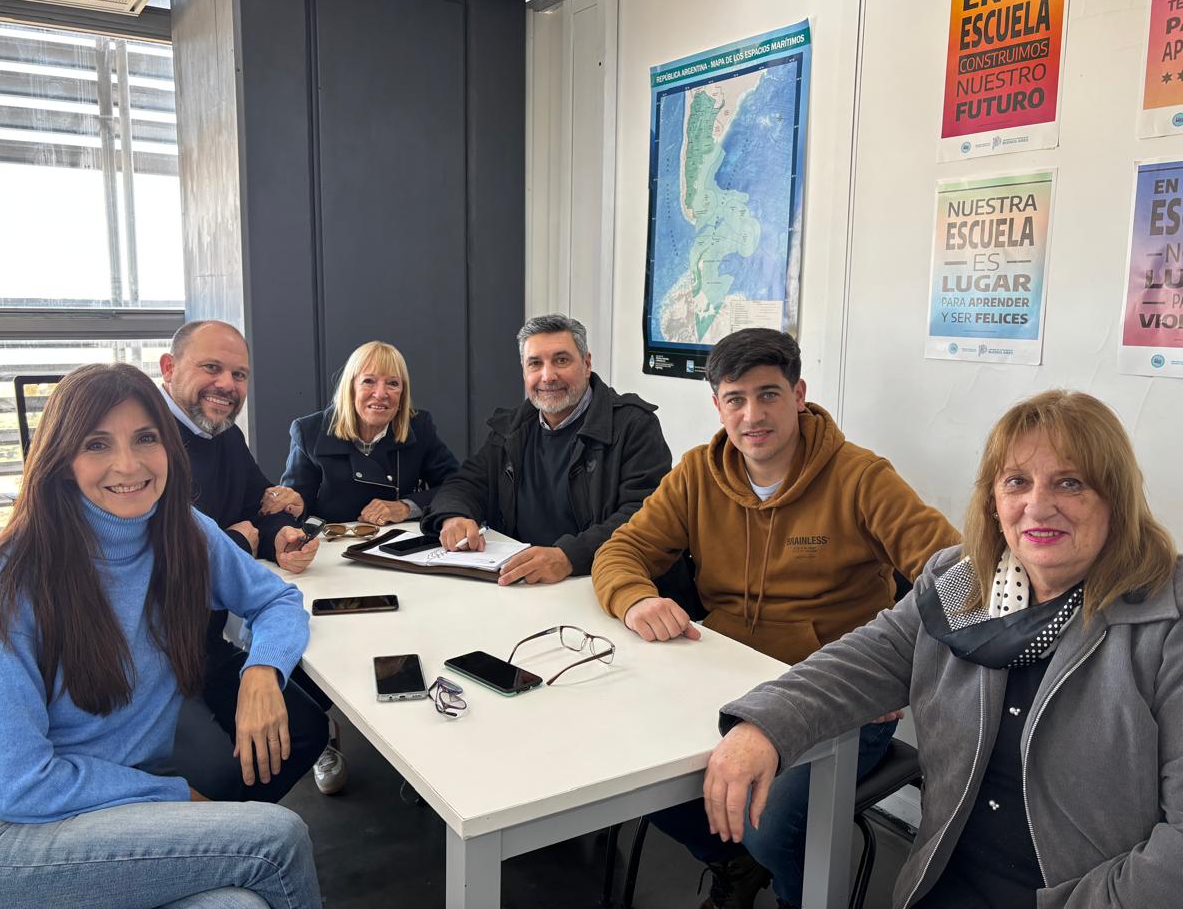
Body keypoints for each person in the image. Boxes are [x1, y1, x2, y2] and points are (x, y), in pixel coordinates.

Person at [704, 389, 1182, 909]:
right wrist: (764, 723)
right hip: (943, 885)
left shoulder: (1166, 619)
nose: (1038, 506)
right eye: (1016, 482)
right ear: (993, 502)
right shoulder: (962, 582)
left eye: (1070, 483)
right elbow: (866, 658)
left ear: (1116, 497)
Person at [0, 363, 322, 909]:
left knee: (239, 906)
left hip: (102, 810)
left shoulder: (183, 531)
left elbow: (276, 600)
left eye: (146, 438)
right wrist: (172, 798)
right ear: (61, 460)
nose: (128, 465)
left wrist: (262, 670)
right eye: (97, 444)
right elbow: (14, 783)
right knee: (275, 840)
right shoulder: (14, 578)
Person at [592, 327, 959, 909]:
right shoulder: (697, 473)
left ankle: (791, 890)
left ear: (798, 395)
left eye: (768, 394)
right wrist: (636, 599)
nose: (752, 415)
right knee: (618, 767)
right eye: (735, 399)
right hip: (723, 679)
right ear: (718, 406)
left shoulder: (861, 477)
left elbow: (958, 578)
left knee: (769, 825)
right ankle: (733, 863)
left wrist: (898, 673)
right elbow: (621, 551)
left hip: (834, 698)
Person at [160, 320, 339, 798]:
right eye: (211, 368)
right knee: (219, 769)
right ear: (168, 368)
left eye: (239, 375)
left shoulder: (223, 435)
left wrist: (280, 538)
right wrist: (238, 543)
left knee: (305, 728)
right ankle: (212, 831)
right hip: (150, 668)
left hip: (205, 648)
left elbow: (261, 504)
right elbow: (167, 573)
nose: (227, 385)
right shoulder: (148, 448)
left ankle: (228, 829)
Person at [423, 313, 672, 586]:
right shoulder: (510, 428)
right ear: (524, 371)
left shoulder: (634, 425)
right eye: (535, 363)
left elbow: (645, 517)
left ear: (587, 364)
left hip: (600, 583)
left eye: (561, 360)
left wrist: (569, 556)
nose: (548, 376)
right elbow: (465, 483)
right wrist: (453, 516)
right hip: (524, 583)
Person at [281, 340, 459, 527]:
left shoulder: (419, 427)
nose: (381, 394)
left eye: (392, 383)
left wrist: (406, 507)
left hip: (398, 540)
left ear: (402, 394)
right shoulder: (309, 432)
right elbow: (291, 507)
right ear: (351, 388)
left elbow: (456, 486)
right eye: (368, 381)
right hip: (330, 542)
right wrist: (295, 508)